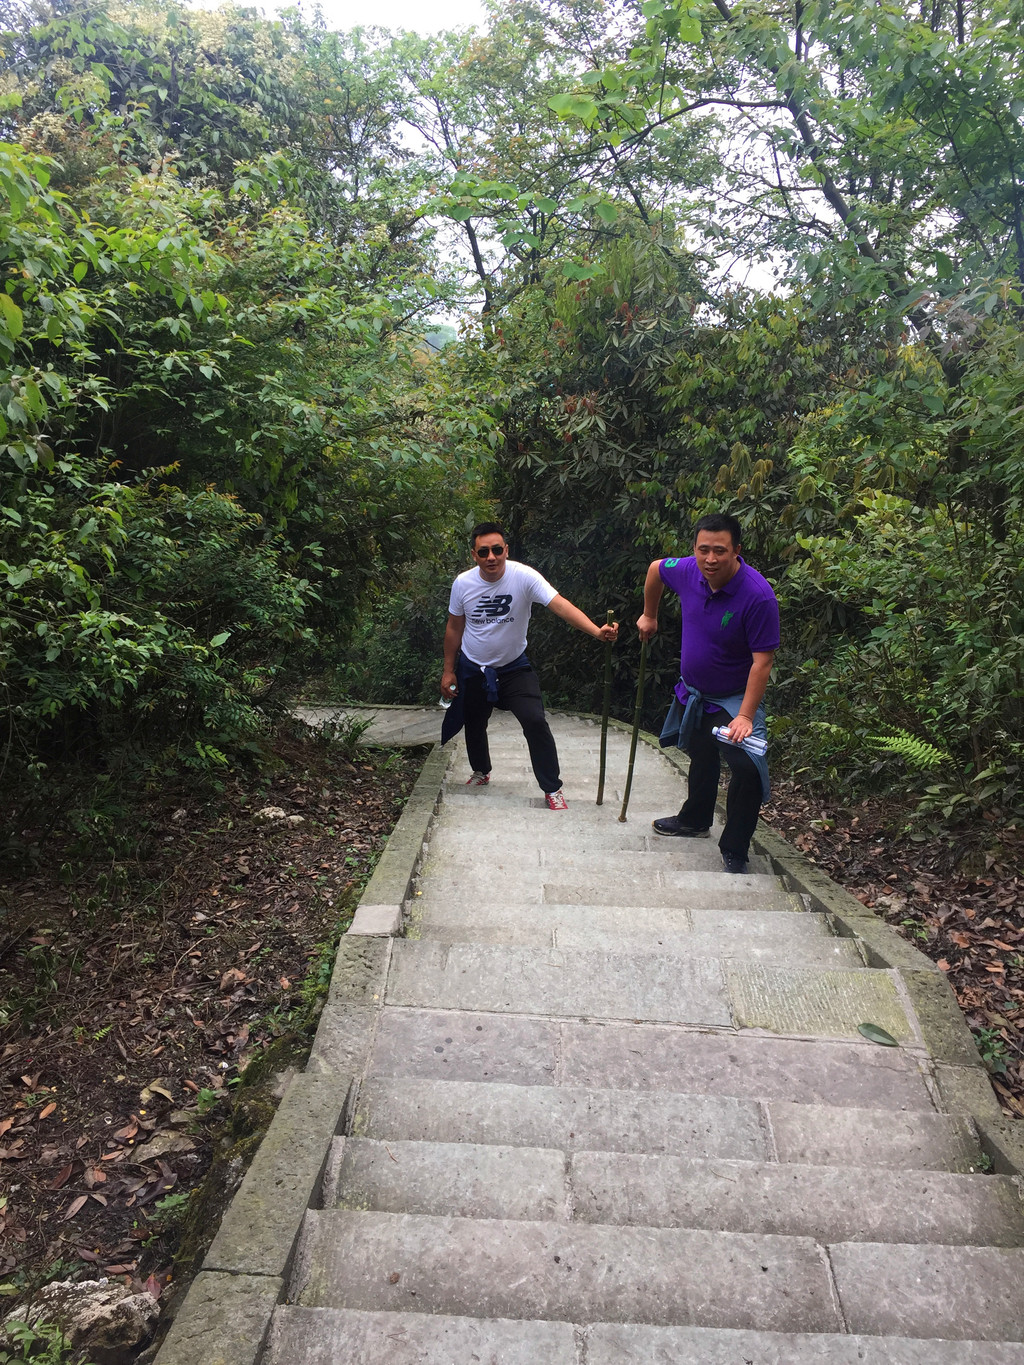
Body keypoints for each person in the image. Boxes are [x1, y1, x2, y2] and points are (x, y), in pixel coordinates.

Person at [637, 513, 779, 873]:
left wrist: (745, 716)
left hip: (733, 696)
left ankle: (735, 846)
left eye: (720, 551)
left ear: (736, 551)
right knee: (701, 750)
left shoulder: (758, 596)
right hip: (694, 690)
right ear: (694, 549)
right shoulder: (687, 570)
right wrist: (649, 615)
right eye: (703, 550)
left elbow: (762, 663)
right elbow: (655, 569)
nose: (710, 559)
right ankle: (695, 819)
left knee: (746, 767)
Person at [440, 522, 618, 809]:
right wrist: (449, 670)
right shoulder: (463, 583)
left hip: (513, 667)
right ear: (474, 555)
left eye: (497, 550)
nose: (491, 557)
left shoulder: (523, 577)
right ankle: (481, 770)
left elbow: (559, 604)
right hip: (473, 666)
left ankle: (552, 787)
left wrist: (596, 631)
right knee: (473, 721)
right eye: (483, 552)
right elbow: (454, 628)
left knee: (534, 720)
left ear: (506, 550)